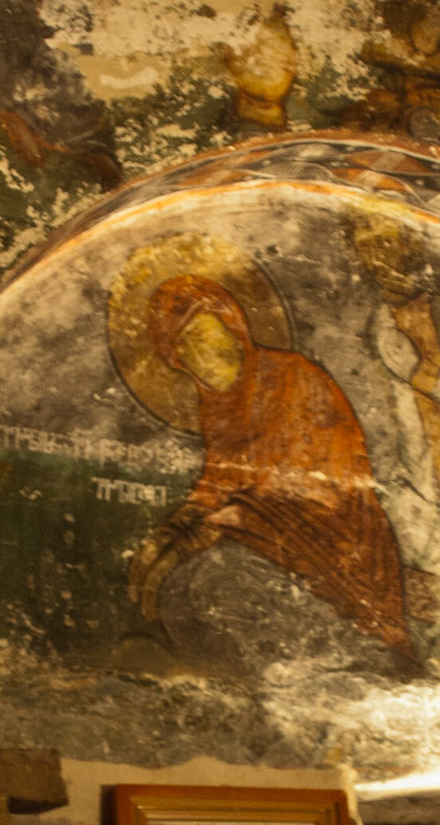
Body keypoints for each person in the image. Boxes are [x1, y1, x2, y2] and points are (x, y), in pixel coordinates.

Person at [127, 274, 411, 656]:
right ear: (176, 359)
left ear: (234, 328)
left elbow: (292, 495)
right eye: (188, 345)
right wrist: (165, 538)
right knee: (178, 589)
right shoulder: (218, 407)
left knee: (214, 575)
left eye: (208, 334)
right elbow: (217, 485)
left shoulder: (292, 379)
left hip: (335, 541)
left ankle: (349, 654)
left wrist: (189, 543)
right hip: (263, 531)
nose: (205, 353)